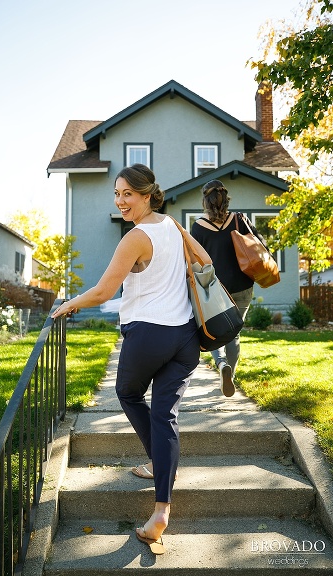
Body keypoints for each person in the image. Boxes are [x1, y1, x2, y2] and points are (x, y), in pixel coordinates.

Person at [52, 163, 211, 554]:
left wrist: (69, 303)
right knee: (165, 415)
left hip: (150, 334)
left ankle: (158, 461)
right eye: (116, 194)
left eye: (127, 194)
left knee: (127, 393)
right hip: (187, 337)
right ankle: (161, 512)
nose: (120, 201)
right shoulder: (173, 226)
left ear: (146, 195)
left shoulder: (135, 237)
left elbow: (105, 291)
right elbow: (206, 261)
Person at [190, 180, 262, 397]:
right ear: (225, 198)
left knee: (213, 332)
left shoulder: (198, 227)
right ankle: (230, 376)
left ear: (205, 200)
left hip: (216, 289)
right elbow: (259, 244)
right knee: (234, 334)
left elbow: (194, 261)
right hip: (243, 286)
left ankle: (221, 364)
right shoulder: (240, 219)